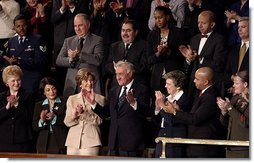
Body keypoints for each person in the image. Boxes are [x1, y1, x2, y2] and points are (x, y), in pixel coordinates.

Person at [159, 67, 226, 157]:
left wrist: (175, 111)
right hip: (197, 145)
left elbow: (195, 119)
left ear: (205, 82)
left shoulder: (210, 96)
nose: (194, 81)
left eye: (197, 79)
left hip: (204, 147)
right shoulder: (204, 93)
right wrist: (179, 111)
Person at [93, 61, 150, 157]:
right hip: (114, 143)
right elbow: (107, 113)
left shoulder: (142, 89)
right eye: (116, 74)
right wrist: (93, 103)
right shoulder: (113, 91)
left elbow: (144, 112)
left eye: (120, 74)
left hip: (132, 144)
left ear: (130, 73)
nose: (117, 77)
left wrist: (133, 103)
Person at [179, 10, 227, 104]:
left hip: (208, 84)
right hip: (192, 84)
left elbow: (219, 64)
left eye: (203, 23)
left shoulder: (219, 40)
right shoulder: (194, 39)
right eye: (198, 22)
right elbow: (188, 65)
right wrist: (188, 59)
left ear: (212, 24)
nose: (200, 26)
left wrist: (200, 59)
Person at [56, 13, 104, 97]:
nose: (77, 29)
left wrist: (79, 54)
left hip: (90, 85)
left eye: (80, 25)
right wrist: (70, 59)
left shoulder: (97, 40)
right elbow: (59, 60)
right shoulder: (68, 41)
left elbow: (98, 60)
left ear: (88, 25)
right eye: (75, 26)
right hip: (71, 85)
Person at [3, 14, 47, 98]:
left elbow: (41, 62)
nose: (21, 28)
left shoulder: (37, 39)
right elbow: (9, 60)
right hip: (16, 80)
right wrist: (8, 62)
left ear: (28, 25)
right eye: (18, 26)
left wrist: (19, 61)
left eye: (23, 25)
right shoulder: (11, 41)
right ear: (14, 28)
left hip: (32, 78)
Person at [64, 68, 106, 156]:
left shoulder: (100, 98)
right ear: (80, 83)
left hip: (91, 140)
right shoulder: (72, 99)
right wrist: (74, 116)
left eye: (91, 80)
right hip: (73, 141)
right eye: (86, 80)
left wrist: (84, 113)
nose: (89, 83)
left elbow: (99, 121)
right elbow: (67, 122)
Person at [147, 6, 186, 96]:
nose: (158, 20)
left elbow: (183, 56)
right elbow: (149, 59)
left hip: (174, 76)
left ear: (167, 17)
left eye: (160, 17)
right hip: (157, 77)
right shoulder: (152, 35)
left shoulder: (178, 33)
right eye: (156, 18)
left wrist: (169, 52)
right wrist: (158, 53)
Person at [105, 19, 149, 98]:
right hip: (116, 88)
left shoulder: (143, 45)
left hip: (136, 87)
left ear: (135, 32)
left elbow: (144, 67)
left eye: (128, 30)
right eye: (123, 30)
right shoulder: (114, 46)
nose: (125, 33)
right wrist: (116, 68)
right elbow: (107, 66)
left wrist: (127, 66)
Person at [154, 70, 189, 158]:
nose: (165, 86)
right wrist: (157, 108)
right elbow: (158, 120)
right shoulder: (166, 98)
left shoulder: (185, 100)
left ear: (178, 86)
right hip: (161, 138)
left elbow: (173, 120)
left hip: (174, 141)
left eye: (169, 84)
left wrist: (162, 105)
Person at [0, 65, 34, 152]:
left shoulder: (28, 95)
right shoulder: (1, 96)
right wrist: (7, 108)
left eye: (18, 80)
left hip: (22, 140)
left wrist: (17, 104)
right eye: (13, 80)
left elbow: (29, 117)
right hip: (4, 140)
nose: (16, 83)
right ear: (6, 82)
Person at [217, 70, 249, 158]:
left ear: (245, 84)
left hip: (245, 150)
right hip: (230, 147)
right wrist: (224, 111)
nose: (233, 86)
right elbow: (225, 123)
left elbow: (246, 123)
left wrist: (230, 108)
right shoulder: (234, 99)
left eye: (236, 83)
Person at [32, 77, 68, 154]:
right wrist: (42, 120)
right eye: (48, 90)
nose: (52, 92)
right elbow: (34, 126)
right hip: (43, 142)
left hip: (60, 141)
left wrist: (55, 117)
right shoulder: (39, 105)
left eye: (53, 89)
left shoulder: (64, 102)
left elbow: (68, 121)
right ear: (44, 92)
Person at [224, 17, 249, 97]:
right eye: (238, 27)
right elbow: (226, 72)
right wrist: (233, 85)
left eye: (243, 27)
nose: (239, 30)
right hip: (232, 91)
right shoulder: (233, 49)